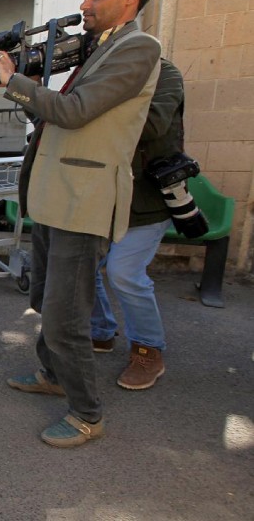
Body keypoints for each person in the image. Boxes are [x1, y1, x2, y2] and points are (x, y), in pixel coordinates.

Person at [0, 0, 162, 447]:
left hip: (83, 201)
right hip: (55, 195)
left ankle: (87, 412)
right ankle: (52, 374)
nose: (84, 3)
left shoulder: (139, 48)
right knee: (46, 297)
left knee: (68, 316)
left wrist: (15, 83)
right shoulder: (100, 44)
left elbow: (77, 110)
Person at [90, 58, 185, 390]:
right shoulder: (101, 71)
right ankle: (100, 333)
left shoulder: (163, 72)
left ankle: (148, 349)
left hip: (147, 201)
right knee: (83, 265)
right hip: (103, 198)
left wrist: (89, 110)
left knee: (124, 272)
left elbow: (152, 125)